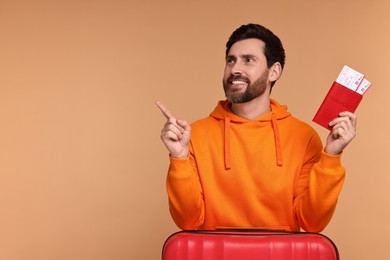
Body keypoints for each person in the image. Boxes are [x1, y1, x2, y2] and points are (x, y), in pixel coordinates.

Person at [156, 23, 356, 232]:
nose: (235, 69)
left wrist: (332, 155)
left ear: (274, 72)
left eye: (248, 60)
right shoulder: (195, 135)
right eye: (230, 61)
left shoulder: (303, 137)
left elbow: (313, 222)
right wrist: (179, 158)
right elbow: (188, 221)